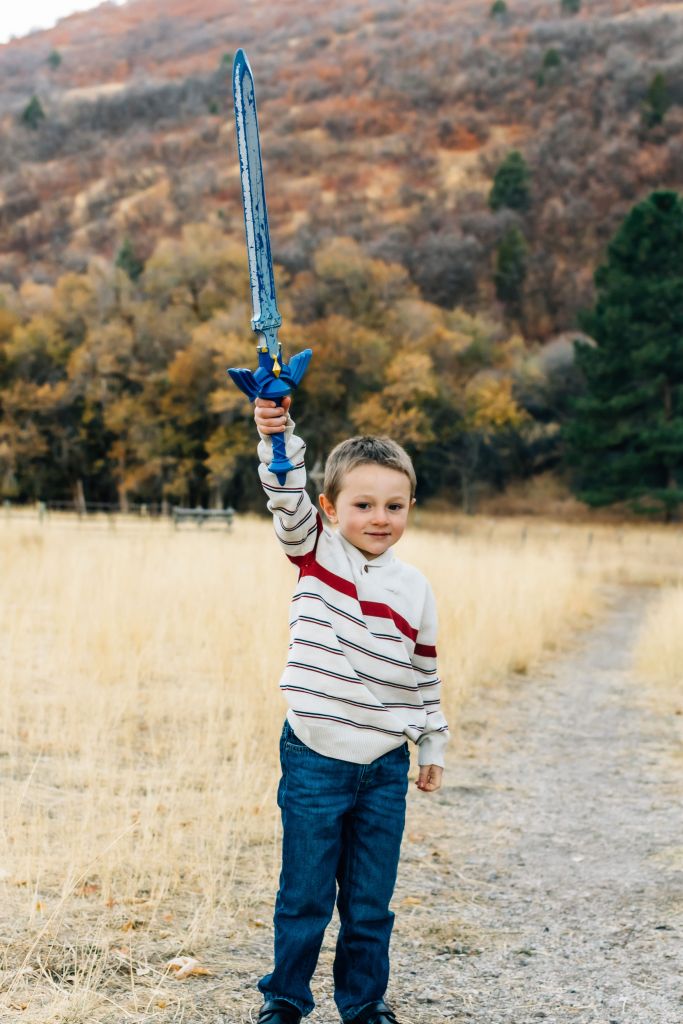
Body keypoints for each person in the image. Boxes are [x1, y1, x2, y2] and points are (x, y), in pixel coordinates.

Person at [253, 394, 449, 1024]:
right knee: (305, 895)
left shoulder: (415, 588)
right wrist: (276, 434)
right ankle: (285, 999)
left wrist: (432, 741)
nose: (380, 518)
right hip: (315, 755)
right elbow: (285, 495)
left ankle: (364, 1003)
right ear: (331, 508)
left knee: (369, 902)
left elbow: (424, 672)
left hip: (385, 764)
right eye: (363, 505)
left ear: (410, 506)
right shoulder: (317, 553)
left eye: (395, 505)